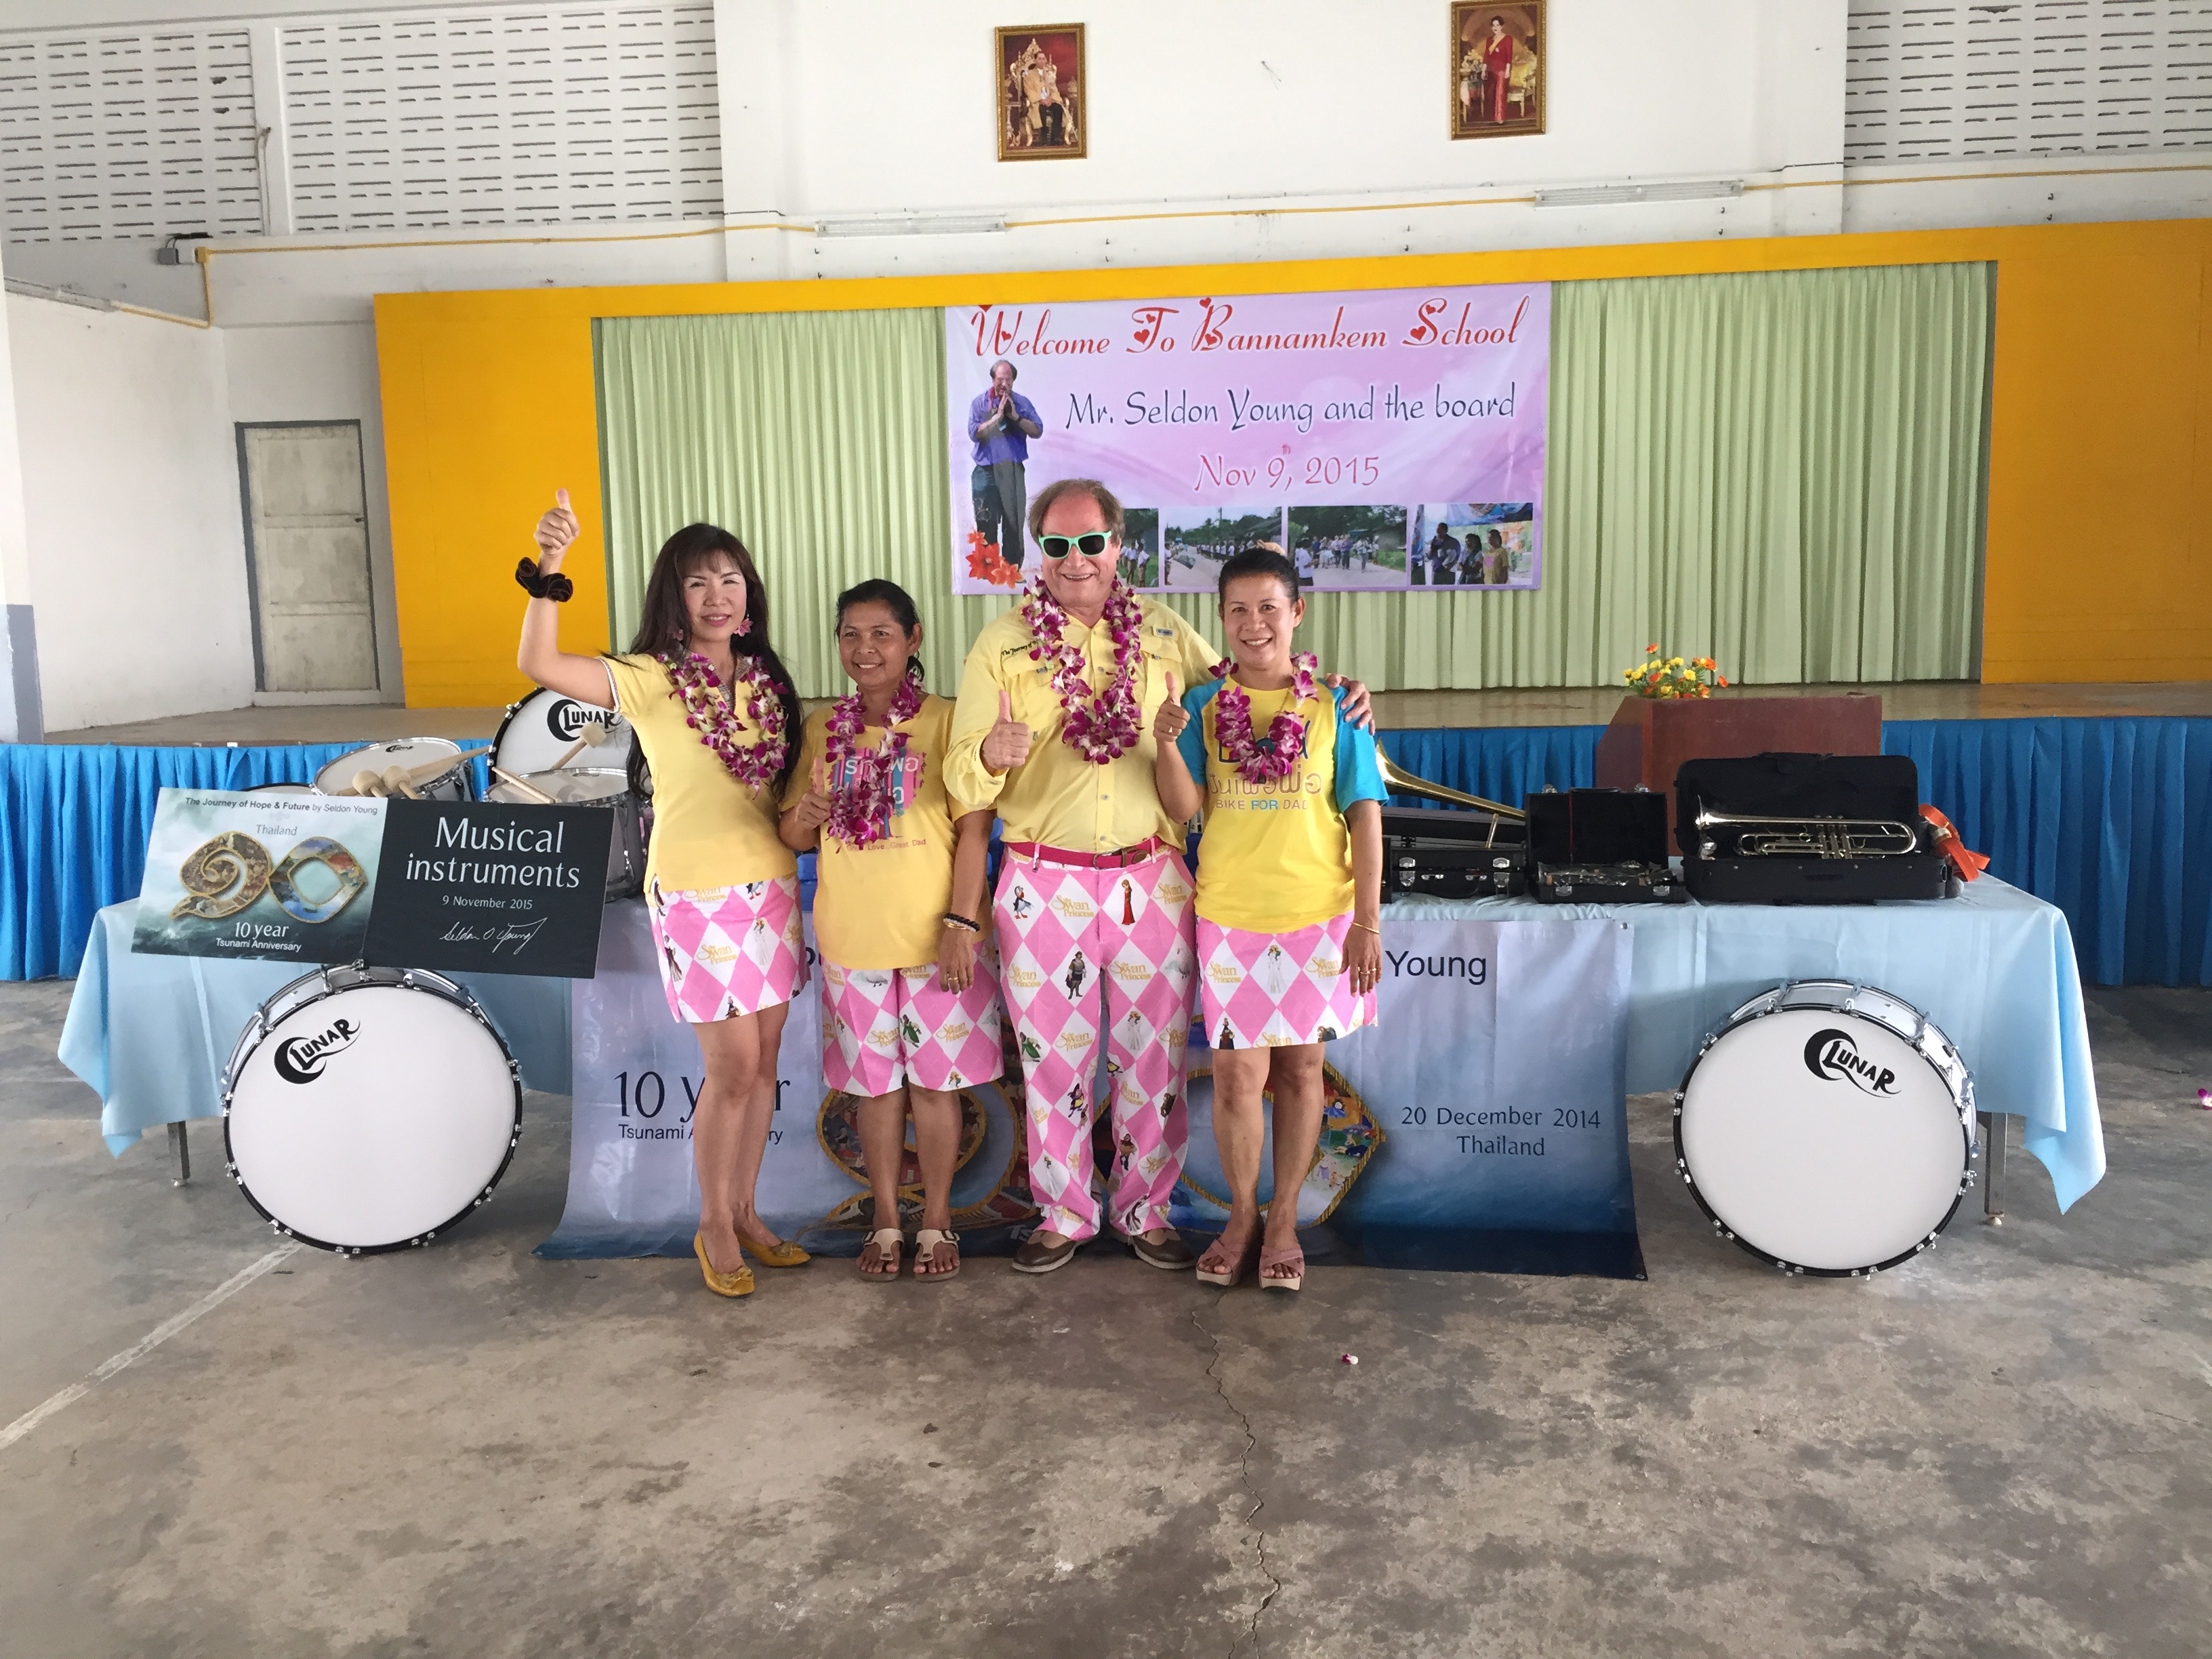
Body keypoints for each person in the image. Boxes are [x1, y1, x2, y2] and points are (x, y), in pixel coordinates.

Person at [945, 478, 1374, 1277]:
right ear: (1038, 552)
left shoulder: (1163, 631)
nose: (1075, 561)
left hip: (1152, 874)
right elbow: (961, 779)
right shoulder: (999, 646)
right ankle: (1065, 1215)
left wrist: (1343, 693)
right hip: (1045, 879)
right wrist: (985, 757)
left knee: (1153, 1057)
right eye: (1056, 545)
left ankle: (1146, 1211)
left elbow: (1258, 680)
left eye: (1090, 542)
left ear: (1118, 545)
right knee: (1052, 1060)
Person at [516, 491, 808, 1300]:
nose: (719, 595)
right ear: (672, 600)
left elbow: (779, 798)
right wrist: (550, 568)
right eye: (698, 583)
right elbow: (541, 665)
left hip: (772, 889)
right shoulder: (649, 679)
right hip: (694, 893)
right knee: (733, 1064)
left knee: (769, 1061)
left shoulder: (768, 684)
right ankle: (712, 1222)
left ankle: (748, 1210)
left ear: (749, 593)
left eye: (731, 579)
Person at [1152, 546, 1384, 1291]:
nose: (1254, 625)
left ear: (1297, 614)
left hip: (1319, 915)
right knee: (1234, 1078)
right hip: (1231, 916)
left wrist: (1368, 922)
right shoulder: (1199, 707)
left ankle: (1284, 1218)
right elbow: (1184, 811)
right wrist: (1163, 744)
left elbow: (1365, 816)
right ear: (1221, 619)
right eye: (1238, 610)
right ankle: (1242, 1218)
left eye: (1269, 609)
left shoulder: (1335, 707)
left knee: (1301, 1069)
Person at [779, 580, 1000, 1283]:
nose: (864, 648)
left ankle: (935, 1222)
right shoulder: (822, 728)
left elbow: (975, 831)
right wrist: (811, 808)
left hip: (938, 943)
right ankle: (883, 1218)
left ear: (914, 639)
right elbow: (791, 833)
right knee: (875, 1091)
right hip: (853, 939)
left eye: (881, 634)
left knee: (936, 1089)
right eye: (850, 634)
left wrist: (961, 925)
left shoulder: (947, 722)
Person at [968, 359, 1044, 570]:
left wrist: (1015, 417)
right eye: (999, 379)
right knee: (986, 523)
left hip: (1012, 471)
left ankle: (1012, 570)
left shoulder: (1022, 403)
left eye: (1007, 380)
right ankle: (987, 572)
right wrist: (997, 418)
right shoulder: (979, 403)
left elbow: (1037, 431)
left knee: (1013, 523)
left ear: (1013, 381)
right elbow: (974, 434)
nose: (1003, 384)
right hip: (986, 471)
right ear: (993, 380)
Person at [1482, 16, 1517, 125]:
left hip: (1502, 70)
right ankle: (1493, 117)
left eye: (1498, 25)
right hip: (1491, 69)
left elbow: (1509, 56)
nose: (1495, 27)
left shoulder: (1507, 39)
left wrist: (1507, 71)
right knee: (1491, 94)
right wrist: (1483, 70)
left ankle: (1500, 118)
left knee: (1500, 93)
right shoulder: (1489, 40)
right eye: (1493, 25)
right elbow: (1486, 56)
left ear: (1502, 26)